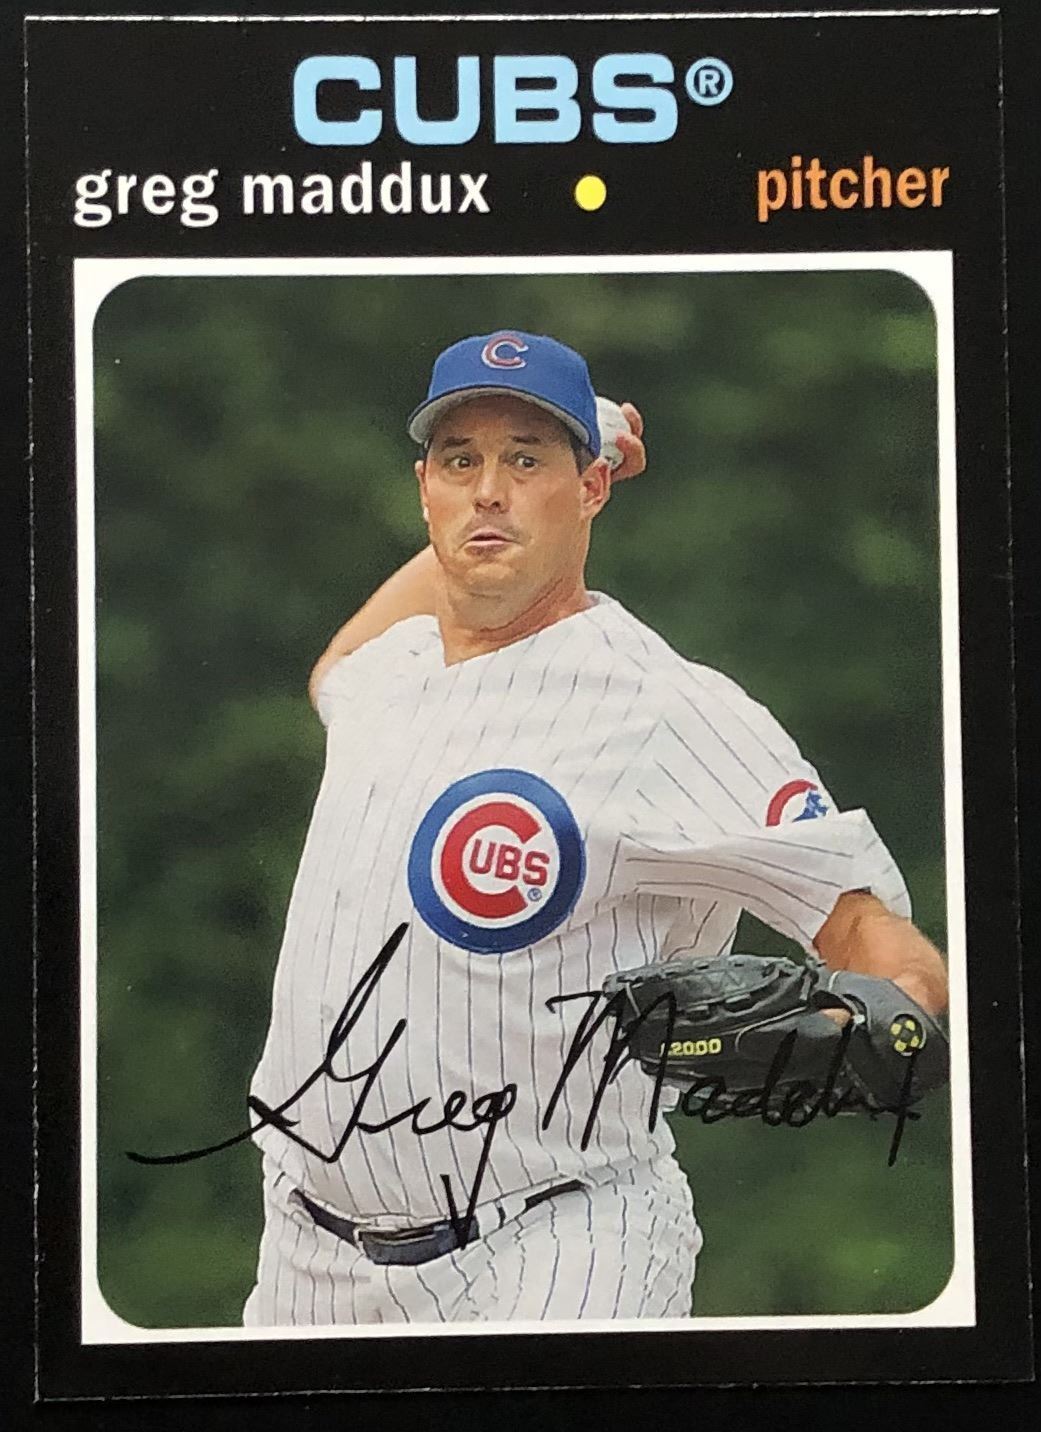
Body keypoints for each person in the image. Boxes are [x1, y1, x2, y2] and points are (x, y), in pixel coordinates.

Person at [242, 329, 948, 1327]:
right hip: (307, 1258)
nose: (489, 491)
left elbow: (888, 954)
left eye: (527, 461)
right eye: (460, 462)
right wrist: (587, 440)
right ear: (424, 490)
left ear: (592, 490)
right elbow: (337, 665)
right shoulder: (388, 675)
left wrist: (859, 1023)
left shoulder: (667, 710)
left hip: (552, 1247)